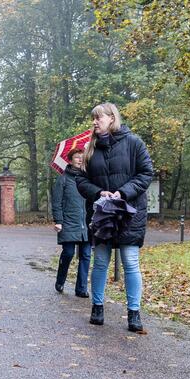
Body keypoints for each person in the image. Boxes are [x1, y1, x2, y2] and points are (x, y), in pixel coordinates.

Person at [75, 102, 154, 332]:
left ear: (112, 118)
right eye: (93, 118)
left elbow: (146, 173)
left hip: (129, 214)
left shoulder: (134, 143)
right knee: (100, 262)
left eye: (98, 118)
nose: (94, 122)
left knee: (130, 262)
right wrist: (99, 192)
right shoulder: (90, 149)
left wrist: (124, 192)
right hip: (102, 215)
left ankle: (134, 313)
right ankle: (97, 307)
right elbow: (80, 181)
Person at [51, 147, 91, 298]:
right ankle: (60, 280)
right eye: (77, 157)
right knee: (68, 253)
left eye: (83, 157)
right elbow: (57, 202)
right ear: (70, 160)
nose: (80, 159)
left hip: (86, 224)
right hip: (68, 222)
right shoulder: (63, 179)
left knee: (86, 255)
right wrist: (58, 221)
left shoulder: (89, 179)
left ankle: (81, 289)